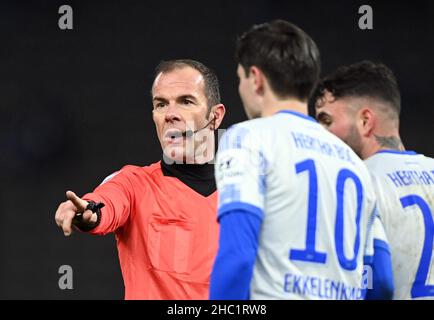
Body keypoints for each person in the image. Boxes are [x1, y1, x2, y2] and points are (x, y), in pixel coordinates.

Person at [209, 20, 393, 300]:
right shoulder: (356, 164)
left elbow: (237, 257)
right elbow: (381, 280)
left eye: (240, 78)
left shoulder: (247, 137)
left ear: (256, 79)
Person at [55, 59, 226, 299]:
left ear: (215, 116)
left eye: (186, 101)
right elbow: (106, 203)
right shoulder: (134, 184)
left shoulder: (251, 194)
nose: (170, 114)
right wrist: (89, 213)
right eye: (161, 104)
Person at [313, 60, 434, 300]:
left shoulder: (352, 183)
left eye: (326, 121)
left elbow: (369, 283)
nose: (318, 133)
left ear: (366, 121)